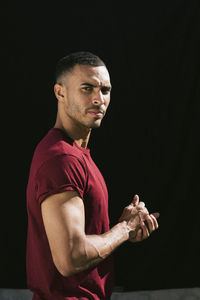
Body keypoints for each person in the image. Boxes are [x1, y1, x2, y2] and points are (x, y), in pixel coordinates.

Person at [26, 51, 159, 300]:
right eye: (87, 88)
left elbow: (84, 239)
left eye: (105, 90)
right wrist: (124, 229)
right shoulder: (62, 159)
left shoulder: (76, 153)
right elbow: (71, 258)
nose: (99, 99)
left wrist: (120, 230)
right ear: (60, 92)